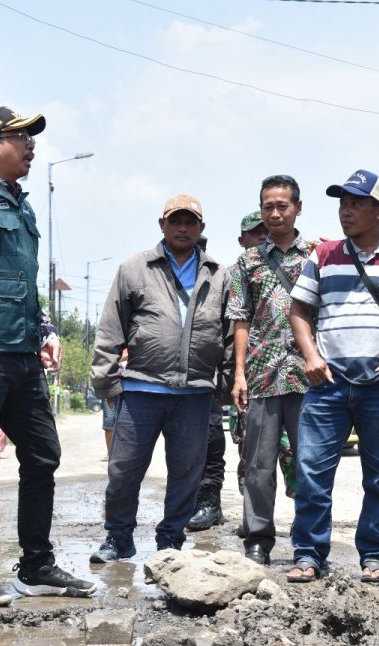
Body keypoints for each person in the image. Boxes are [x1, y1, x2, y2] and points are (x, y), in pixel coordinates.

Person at [0, 77, 95, 605]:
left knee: (43, 455)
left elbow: (21, 282)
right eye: (21, 138)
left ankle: (36, 566)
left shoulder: (22, 208)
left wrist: (47, 331)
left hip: (20, 351)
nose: (30, 147)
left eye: (32, 140)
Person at [288, 170, 379, 581]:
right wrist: (310, 355)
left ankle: (376, 556)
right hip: (327, 384)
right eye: (342, 203)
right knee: (312, 472)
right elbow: (299, 310)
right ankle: (309, 555)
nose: (346, 211)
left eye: (356, 203)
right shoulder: (324, 254)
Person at [91, 193, 231, 562]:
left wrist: (228, 384)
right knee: (123, 471)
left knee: (186, 473)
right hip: (141, 389)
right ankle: (118, 538)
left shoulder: (219, 275)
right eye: (175, 221)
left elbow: (232, 333)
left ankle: (170, 539)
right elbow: (110, 327)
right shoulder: (135, 268)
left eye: (190, 222)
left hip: (196, 392)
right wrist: (104, 381)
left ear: (201, 228)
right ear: (162, 225)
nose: (182, 228)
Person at [228, 177, 313, 566]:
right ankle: (258, 539)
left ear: (297, 207)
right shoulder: (247, 263)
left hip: (307, 374)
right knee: (259, 463)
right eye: (268, 207)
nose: (275, 213)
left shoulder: (318, 255)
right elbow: (240, 319)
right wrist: (239, 373)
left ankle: (309, 542)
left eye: (282, 205)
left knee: (309, 461)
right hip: (261, 375)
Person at [187, 211, 268, 533]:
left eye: (266, 233)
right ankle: (216, 506)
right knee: (234, 447)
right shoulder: (227, 276)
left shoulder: (298, 265)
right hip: (229, 374)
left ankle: (299, 523)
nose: (262, 238)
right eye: (255, 233)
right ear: (242, 240)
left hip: (281, 374)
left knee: (292, 455)